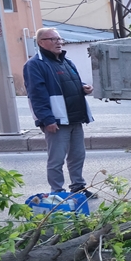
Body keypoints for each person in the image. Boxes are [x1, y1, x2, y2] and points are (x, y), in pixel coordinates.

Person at [24, 28, 96, 197]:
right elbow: (36, 95)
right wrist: (47, 119)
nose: (59, 42)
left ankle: (78, 187)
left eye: (59, 39)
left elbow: (68, 84)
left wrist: (83, 87)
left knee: (77, 156)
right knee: (56, 159)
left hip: (75, 117)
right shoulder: (35, 64)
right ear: (41, 42)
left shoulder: (66, 61)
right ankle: (57, 192)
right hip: (56, 120)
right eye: (53, 39)